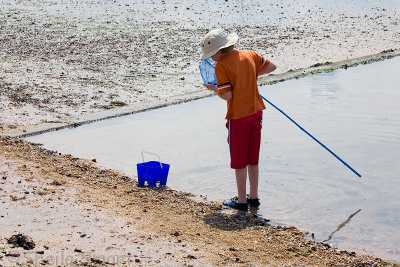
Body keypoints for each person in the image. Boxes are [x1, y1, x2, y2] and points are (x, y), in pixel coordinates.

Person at [200, 29, 277, 212]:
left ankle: (241, 201)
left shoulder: (221, 66)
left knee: (239, 160)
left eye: (212, 55)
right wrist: (250, 77)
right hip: (257, 112)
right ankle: (254, 197)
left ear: (220, 51)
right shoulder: (250, 54)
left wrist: (214, 88)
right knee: (253, 158)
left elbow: (227, 95)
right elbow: (271, 66)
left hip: (238, 117)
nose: (211, 59)